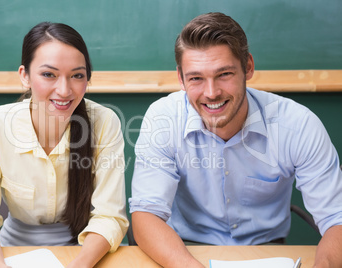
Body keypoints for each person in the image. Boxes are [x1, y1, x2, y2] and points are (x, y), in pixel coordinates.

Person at [129, 12, 342, 268]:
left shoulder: (297, 125)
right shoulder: (163, 119)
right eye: (196, 78)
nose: (211, 93)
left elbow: (336, 218)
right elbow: (146, 215)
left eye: (224, 74)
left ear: (248, 67)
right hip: (182, 251)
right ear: (180, 78)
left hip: (266, 253)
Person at [0, 22, 128, 268]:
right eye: (49, 74)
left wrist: (79, 265)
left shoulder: (104, 122)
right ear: (24, 75)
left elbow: (109, 216)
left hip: (88, 248)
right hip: (11, 247)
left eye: (77, 75)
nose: (65, 90)